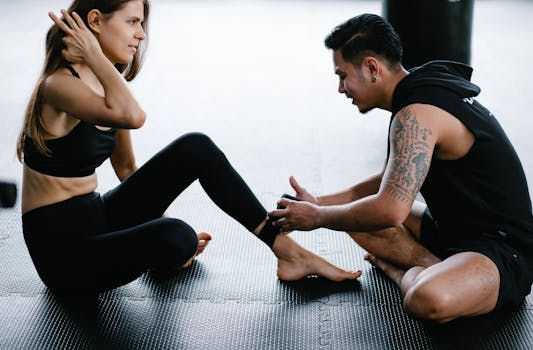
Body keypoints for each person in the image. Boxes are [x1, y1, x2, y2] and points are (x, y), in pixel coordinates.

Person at [16, 0, 361, 295]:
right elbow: (134, 116)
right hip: (64, 255)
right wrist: (94, 54)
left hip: (98, 219)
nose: (141, 34)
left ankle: (288, 252)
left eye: (142, 24)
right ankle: (161, 248)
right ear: (95, 21)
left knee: (196, 148)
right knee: (176, 236)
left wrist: (149, 223)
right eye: (133, 22)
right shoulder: (58, 86)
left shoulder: (107, 83)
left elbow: (126, 169)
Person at [269, 13, 533, 323]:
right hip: (452, 228)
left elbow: (391, 210)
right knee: (353, 213)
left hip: (501, 251)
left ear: (371, 68)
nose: (341, 88)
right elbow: (388, 181)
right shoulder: (414, 91)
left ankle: (402, 271)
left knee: (427, 300)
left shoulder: (416, 114)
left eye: (342, 76)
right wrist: (319, 203)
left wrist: (317, 218)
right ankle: (432, 263)